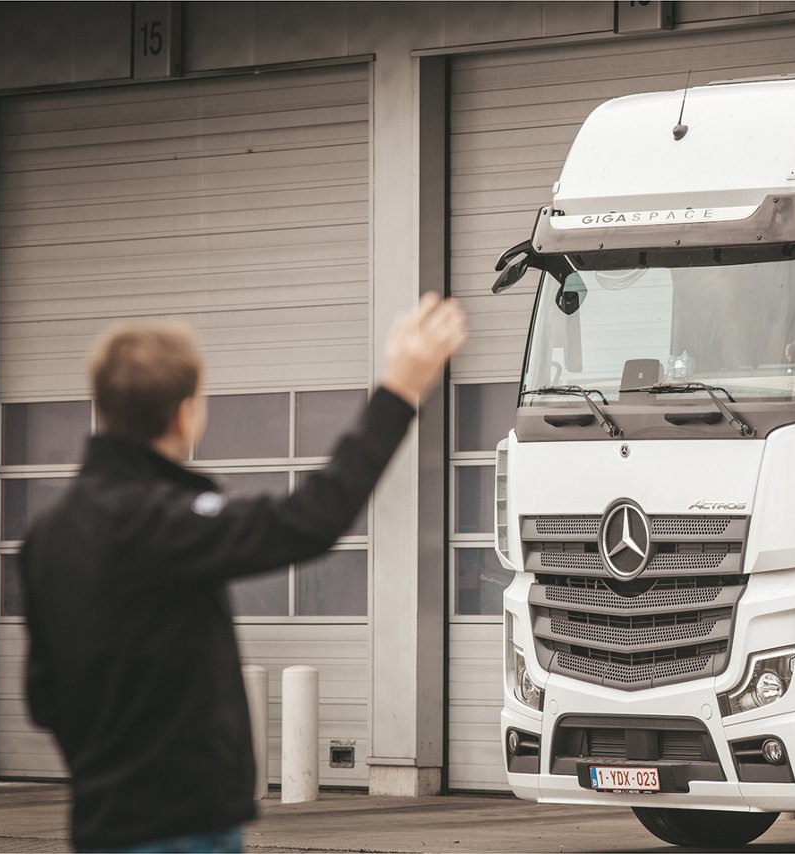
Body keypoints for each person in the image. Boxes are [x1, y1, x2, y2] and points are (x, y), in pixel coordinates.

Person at [23, 293, 466, 853]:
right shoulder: (161, 520)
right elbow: (309, 520)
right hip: (179, 828)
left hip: (98, 825)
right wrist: (400, 390)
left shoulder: (47, 535)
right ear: (186, 413)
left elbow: (43, 698)